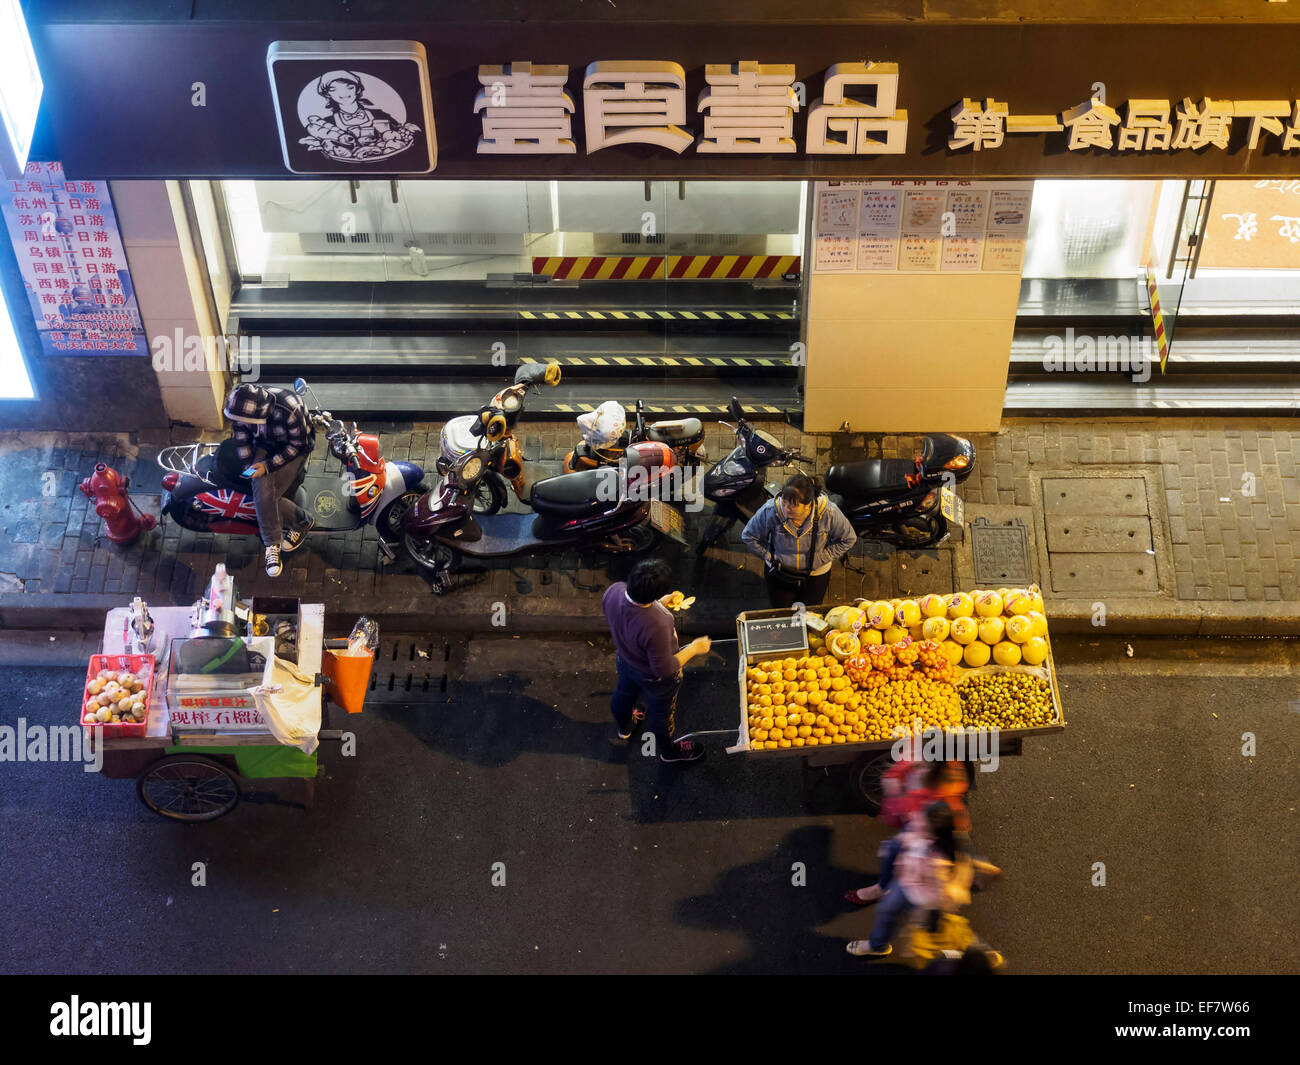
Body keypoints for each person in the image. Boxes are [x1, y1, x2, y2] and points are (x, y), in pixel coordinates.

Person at [601, 559, 711, 764]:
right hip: (655, 679)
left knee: (623, 694)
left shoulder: (613, 591)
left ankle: (625, 728)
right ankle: (669, 751)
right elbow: (664, 668)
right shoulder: (659, 623)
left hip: (625, 660)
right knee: (661, 715)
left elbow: (632, 615)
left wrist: (659, 602)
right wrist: (695, 648)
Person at [846, 801, 975, 958]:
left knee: (935, 933)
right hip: (906, 887)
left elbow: (937, 895)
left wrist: (917, 916)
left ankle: (969, 955)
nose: (917, 825)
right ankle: (877, 945)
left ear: (937, 834)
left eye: (924, 825)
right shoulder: (923, 827)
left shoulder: (940, 862)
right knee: (886, 911)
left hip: (923, 900)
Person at [223, 383, 316, 577]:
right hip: (264, 444)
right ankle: (296, 526)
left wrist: (267, 466)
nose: (242, 423)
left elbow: (297, 445)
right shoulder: (243, 408)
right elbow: (241, 438)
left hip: (291, 450)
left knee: (266, 495)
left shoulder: (291, 409)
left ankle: (276, 540)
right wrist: (249, 466)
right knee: (262, 490)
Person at [741, 473, 857, 609]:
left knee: (809, 613)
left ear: (808, 505)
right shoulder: (770, 510)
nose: (786, 508)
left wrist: (822, 558)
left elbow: (848, 539)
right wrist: (769, 556)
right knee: (782, 612)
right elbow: (749, 536)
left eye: (793, 505)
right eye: (784, 501)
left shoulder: (829, 512)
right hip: (779, 572)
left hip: (815, 575)